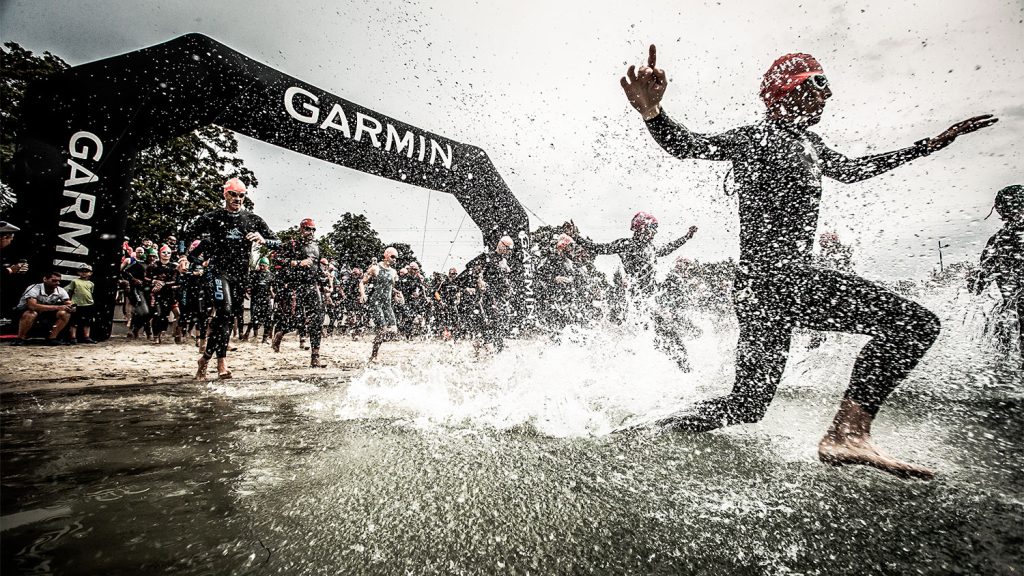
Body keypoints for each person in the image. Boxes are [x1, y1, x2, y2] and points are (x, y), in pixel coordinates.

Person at [620, 44, 998, 478]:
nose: (826, 94)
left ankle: (643, 430)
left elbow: (856, 169)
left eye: (827, 84)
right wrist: (653, 113)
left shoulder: (811, 144)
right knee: (914, 324)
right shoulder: (755, 138)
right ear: (785, 91)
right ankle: (847, 435)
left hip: (762, 288)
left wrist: (931, 144)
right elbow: (689, 145)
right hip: (779, 279)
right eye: (816, 84)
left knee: (747, 405)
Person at [185, 177, 279, 379]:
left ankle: (205, 359)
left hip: (240, 275)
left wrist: (264, 240)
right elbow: (186, 234)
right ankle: (222, 363)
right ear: (225, 194)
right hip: (219, 272)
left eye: (241, 195)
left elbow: (278, 243)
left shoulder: (253, 220)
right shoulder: (213, 217)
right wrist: (185, 258)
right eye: (233, 194)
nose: (237, 199)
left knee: (224, 319)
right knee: (225, 311)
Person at [574, 212, 697, 297]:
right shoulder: (625, 245)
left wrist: (686, 237)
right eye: (652, 229)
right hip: (634, 295)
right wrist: (575, 236)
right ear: (642, 229)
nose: (655, 232)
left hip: (651, 294)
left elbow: (667, 249)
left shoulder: (649, 247)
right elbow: (597, 248)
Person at [970, 184, 1022, 361]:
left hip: (1013, 312)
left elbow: (977, 287)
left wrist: (971, 278)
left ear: (1000, 211)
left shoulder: (997, 242)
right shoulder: (998, 242)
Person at [271, 218, 328, 367]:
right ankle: (281, 332)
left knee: (318, 318)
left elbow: (316, 266)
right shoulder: (292, 244)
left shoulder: (316, 246)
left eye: (313, 229)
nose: (311, 232)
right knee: (297, 318)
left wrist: (324, 280)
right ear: (301, 229)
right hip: (296, 286)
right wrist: (295, 263)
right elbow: (275, 258)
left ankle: (315, 356)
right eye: (308, 229)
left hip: (313, 285)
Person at [457, 236, 516, 353]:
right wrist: (479, 280)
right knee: (488, 320)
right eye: (508, 249)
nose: (509, 252)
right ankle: (485, 344)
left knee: (500, 320)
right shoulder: (487, 257)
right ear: (501, 245)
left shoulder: (504, 262)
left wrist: (509, 288)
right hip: (486, 296)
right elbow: (471, 268)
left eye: (510, 250)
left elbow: (505, 279)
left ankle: (498, 346)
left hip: (499, 296)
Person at [360, 246, 400, 362]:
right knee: (382, 330)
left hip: (387, 304)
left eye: (396, 258)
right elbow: (362, 282)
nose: (394, 260)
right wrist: (363, 294)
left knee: (393, 330)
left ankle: (377, 339)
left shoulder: (393, 272)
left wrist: (397, 294)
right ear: (386, 255)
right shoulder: (375, 268)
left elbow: (391, 287)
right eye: (393, 257)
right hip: (375, 302)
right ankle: (374, 355)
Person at [11, 271, 74, 345]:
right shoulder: (34, 288)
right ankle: (20, 338)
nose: (57, 283)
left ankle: (52, 338)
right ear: (45, 279)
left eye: (59, 281)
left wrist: (71, 307)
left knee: (65, 313)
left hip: (44, 313)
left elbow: (68, 303)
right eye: (54, 280)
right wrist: (58, 307)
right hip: (23, 312)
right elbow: (32, 306)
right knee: (30, 313)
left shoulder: (61, 290)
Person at [146, 245, 180, 344]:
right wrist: (154, 281)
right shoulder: (153, 265)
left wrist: (163, 284)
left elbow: (176, 280)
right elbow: (145, 278)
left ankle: (161, 334)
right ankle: (156, 336)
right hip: (156, 293)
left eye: (168, 253)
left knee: (164, 315)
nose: (166, 254)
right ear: (160, 253)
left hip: (169, 294)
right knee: (157, 313)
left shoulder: (174, 266)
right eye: (164, 252)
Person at [243, 257, 275, 344]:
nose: (262, 268)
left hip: (266, 298)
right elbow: (248, 283)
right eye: (260, 265)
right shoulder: (254, 274)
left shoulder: (271, 275)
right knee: (254, 317)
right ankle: (252, 334)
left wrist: (273, 294)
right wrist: (249, 291)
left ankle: (265, 338)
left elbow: (272, 287)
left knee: (268, 318)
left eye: (264, 266)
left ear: (268, 266)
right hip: (256, 298)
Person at [66, 264, 98, 344]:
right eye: (82, 271)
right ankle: (73, 337)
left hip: (88, 304)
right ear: (78, 272)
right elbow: (70, 291)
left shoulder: (91, 283)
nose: (84, 273)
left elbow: (91, 292)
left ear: (90, 273)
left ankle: (87, 336)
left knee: (87, 322)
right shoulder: (74, 281)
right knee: (74, 322)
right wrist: (70, 301)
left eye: (86, 271)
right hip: (76, 304)